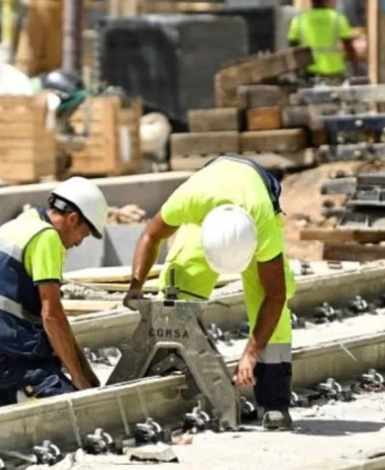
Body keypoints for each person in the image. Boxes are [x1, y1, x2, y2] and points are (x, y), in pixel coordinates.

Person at [124, 155, 296, 430]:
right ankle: (178, 382)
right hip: (211, 206)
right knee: (177, 287)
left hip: (254, 210)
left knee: (272, 307)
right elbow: (150, 235)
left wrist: (251, 353)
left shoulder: (263, 226)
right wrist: (136, 285)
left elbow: (275, 295)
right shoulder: (189, 202)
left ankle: (274, 404)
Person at [0, 176, 108, 411]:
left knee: (49, 351)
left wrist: (84, 370)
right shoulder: (47, 238)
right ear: (73, 219)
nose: (78, 244)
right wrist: (79, 380)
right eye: (82, 235)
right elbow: (52, 316)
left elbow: (55, 319)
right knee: (73, 411)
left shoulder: (27, 221)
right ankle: (7, 391)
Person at [289, 0, 358, 80]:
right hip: (334, 73)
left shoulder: (298, 20)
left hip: (309, 74)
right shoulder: (338, 18)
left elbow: (293, 48)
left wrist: (297, 72)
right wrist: (355, 70)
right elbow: (349, 48)